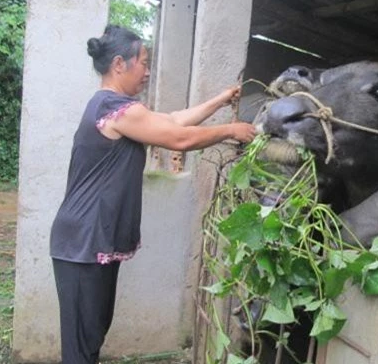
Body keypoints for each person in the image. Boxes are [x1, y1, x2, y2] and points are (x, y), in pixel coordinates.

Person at [49, 24, 256, 364]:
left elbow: (174, 121)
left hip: (89, 241)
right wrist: (231, 129)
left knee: (92, 337)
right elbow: (179, 139)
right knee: (81, 349)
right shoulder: (114, 109)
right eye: (143, 63)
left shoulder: (121, 108)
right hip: (82, 243)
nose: (147, 71)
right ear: (119, 64)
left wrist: (220, 100)